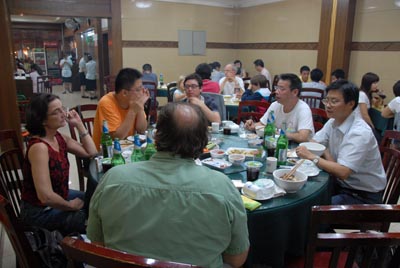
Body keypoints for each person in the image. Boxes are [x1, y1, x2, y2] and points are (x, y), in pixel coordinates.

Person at [87, 102, 249, 267]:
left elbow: (97, 243)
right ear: (204, 142)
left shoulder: (113, 179)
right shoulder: (223, 188)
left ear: (156, 137)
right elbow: (236, 259)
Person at [296, 80, 386, 205]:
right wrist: (326, 153)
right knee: (301, 194)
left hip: (362, 196)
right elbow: (315, 141)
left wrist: (312, 156)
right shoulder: (333, 121)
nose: (328, 105)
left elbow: (343, 172)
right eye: (326, 100)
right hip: (340, 184)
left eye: (334, 101)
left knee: (310, 209)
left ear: (351, 104)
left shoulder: (359, 132)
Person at [20, 93, 98, 235]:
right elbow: (45, 196)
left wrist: (79, 125)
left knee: (95, 199)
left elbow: (91, 152)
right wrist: (70, 206)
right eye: (57, 112)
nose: (64, 114)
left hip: (59, 196)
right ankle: (81, 252)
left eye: (62, 108)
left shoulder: (58, 137)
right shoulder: (39, 147)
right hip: (39, 211)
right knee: (87, 217)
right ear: (42, 120)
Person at [245, 73, 314, 143]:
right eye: (276, 88)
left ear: (295, 92)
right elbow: (262, 124)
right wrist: (253, 125)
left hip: (298, 150)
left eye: (281, 89)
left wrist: (281, 133)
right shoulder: (275, 105)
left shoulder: (303, 109)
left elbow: (303, 137)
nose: (276, 92)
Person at [92, 68, 149, 150]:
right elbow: (117, 138)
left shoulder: (133, 102)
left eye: (142, 87)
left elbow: (141, 129)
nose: (142, 92)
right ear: (124, 93)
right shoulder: (106, 103)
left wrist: (140, 107)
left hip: (127, 150)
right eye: (138, 89)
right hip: (107, 154)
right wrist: (132, 111)